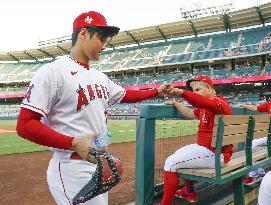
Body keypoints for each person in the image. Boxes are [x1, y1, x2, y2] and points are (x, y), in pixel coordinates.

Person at [16, 11, 171, 205]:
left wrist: (157, 91)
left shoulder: (99, 77)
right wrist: (72, 142)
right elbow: (25, 124)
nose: (104, 45)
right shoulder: (53, 72)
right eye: (101, 38)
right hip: (71, 166)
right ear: (83, 34)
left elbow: (127, 95)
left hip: (98, 164)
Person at [158, 76, 232, 205]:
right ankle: (189, 192)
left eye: (197, 89)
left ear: (209, 88)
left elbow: (200, 102)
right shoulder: (207, 105)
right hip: (212, 151)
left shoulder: (219, 103)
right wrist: (176, 103)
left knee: (170, 163)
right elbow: (190, 114)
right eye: (193, 91)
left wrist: (181, 92)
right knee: (180, 152)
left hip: (216, 155)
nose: (195, 93)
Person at [238, 101, 271, 186]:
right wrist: (243, 104)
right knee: (251, 144)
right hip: (269, 137)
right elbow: (257, 108)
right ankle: (257, 173)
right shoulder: (269, 104)